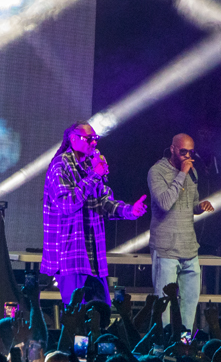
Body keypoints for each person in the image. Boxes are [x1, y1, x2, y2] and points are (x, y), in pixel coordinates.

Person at [41, 122, 147, 305]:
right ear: (73, 139)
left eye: (95, 139)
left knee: (101, 312)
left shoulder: (91, 166)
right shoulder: (60, 165)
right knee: (77, 315)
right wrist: (94, 176)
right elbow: (66, 205)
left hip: (93, 257)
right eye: (89, 139)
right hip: (70, 255)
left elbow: (104, 202)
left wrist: (131, 210)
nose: (94, 143)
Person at [148, 133, 214, 331]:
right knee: (165, 306)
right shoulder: (157, 171)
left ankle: (185, 346)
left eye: (190, 152)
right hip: (166, 248)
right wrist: (182, 174)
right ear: (172, 149)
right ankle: (166, 347)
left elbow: (190, 204)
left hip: (189, 248)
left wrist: (199, 206)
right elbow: (165, 203)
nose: (187, 156)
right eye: (182, 151)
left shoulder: (192, 172)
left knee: (190, 306)